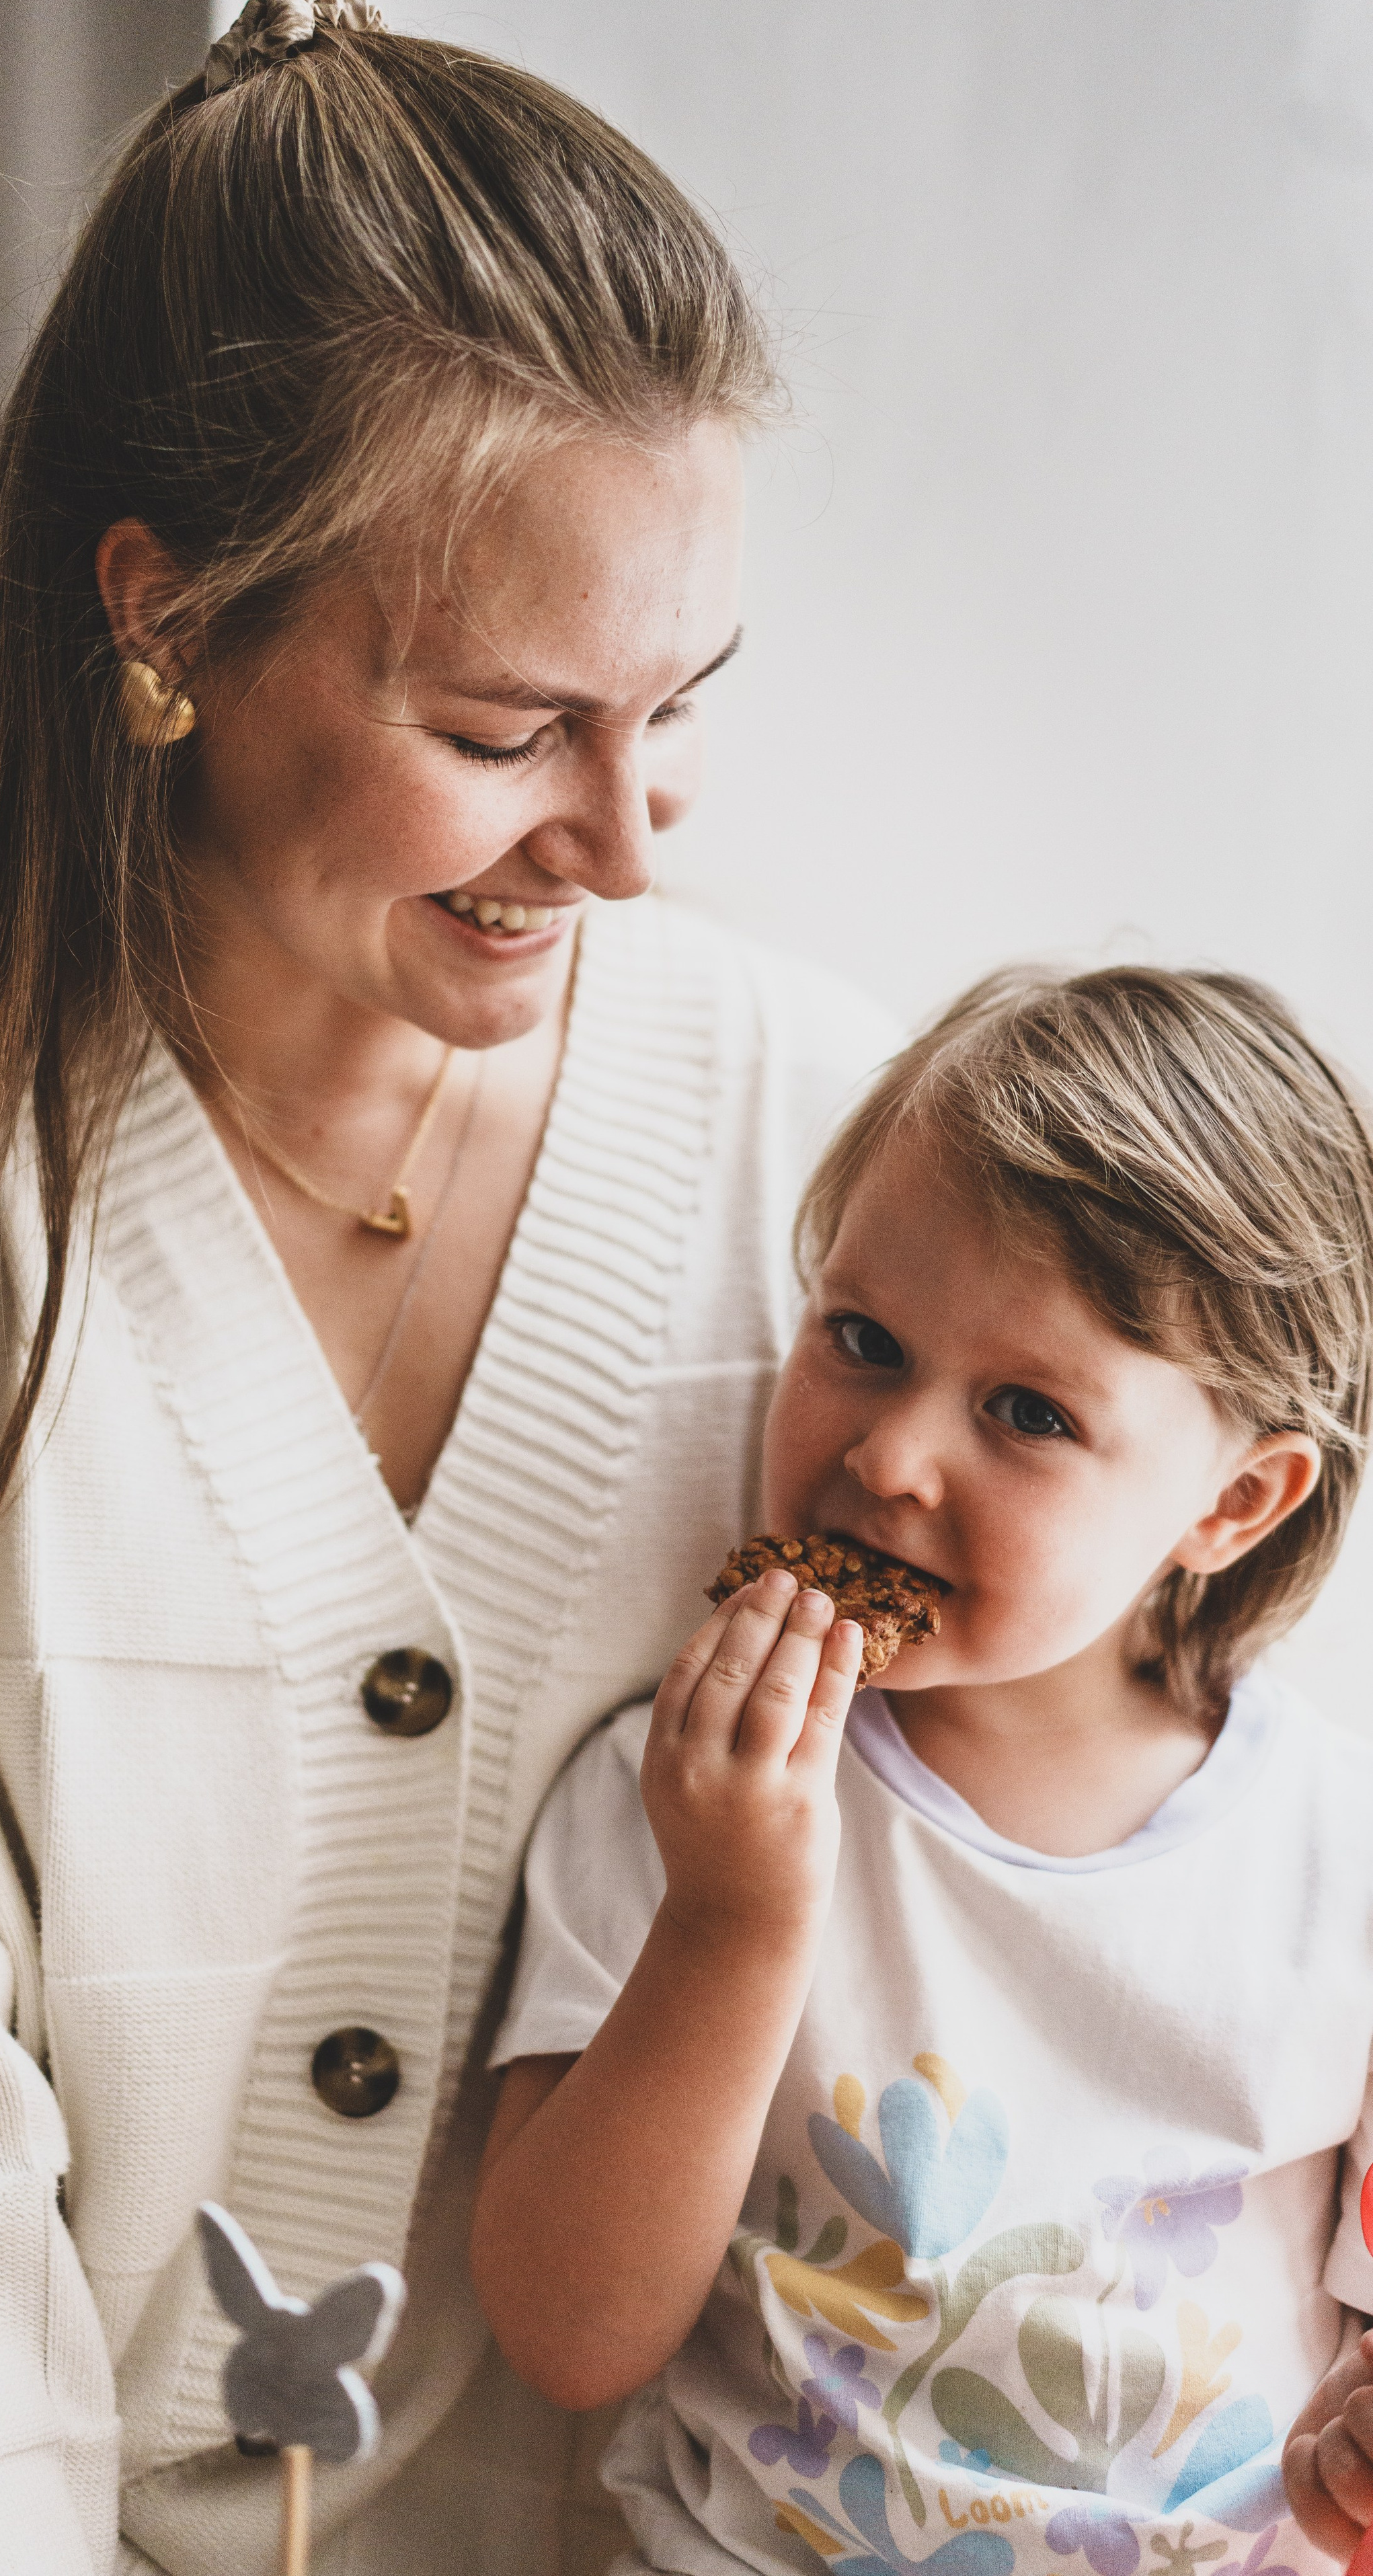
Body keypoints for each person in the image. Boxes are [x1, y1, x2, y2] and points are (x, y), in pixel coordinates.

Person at [0, 0, 896, 2571]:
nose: (629, 844)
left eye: (681, 712)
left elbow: (1158, 1805)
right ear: (169, 623)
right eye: (505, 726)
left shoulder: (853, 1192)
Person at [473, 966, 1373, 2576]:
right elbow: (566, 2334)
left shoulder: (1336, 1853)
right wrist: (732, 1919)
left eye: (1025, 1412)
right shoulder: (683, 1788)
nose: (886, 1458)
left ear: (1229, 1508)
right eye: (862, 1339)